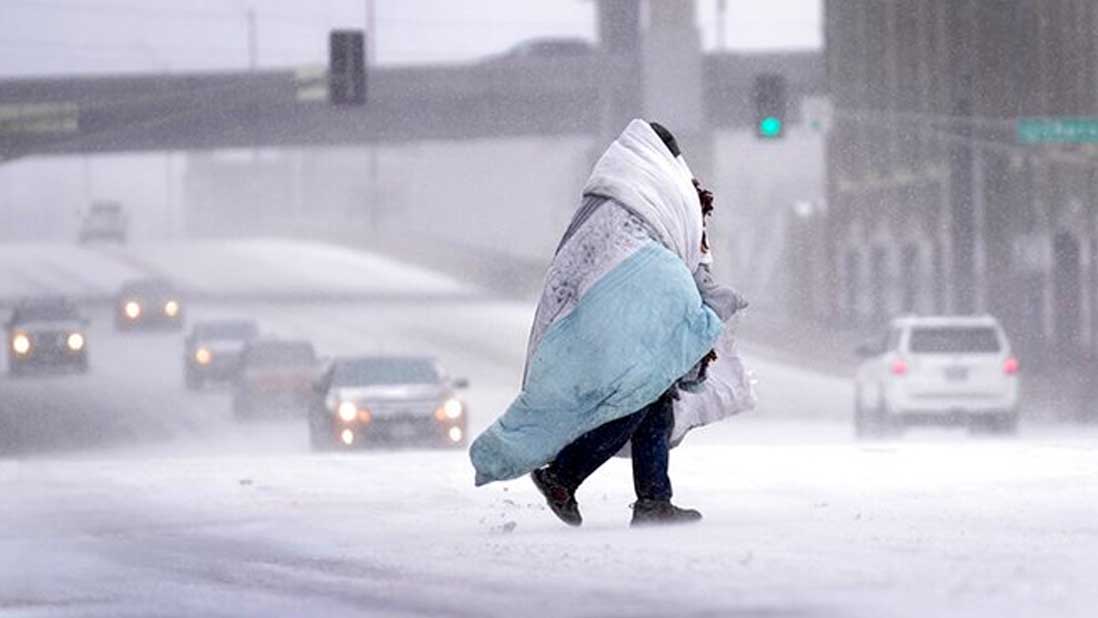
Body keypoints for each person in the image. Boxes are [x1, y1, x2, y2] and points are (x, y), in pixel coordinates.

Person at [469, 120, 744, 526]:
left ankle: (653, 499)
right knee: (638, 395)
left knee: (653, 398)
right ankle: (564, 475)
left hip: (609, 315)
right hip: (623, 314)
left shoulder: (613, 197)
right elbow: (662, 253)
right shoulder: (649, 193)